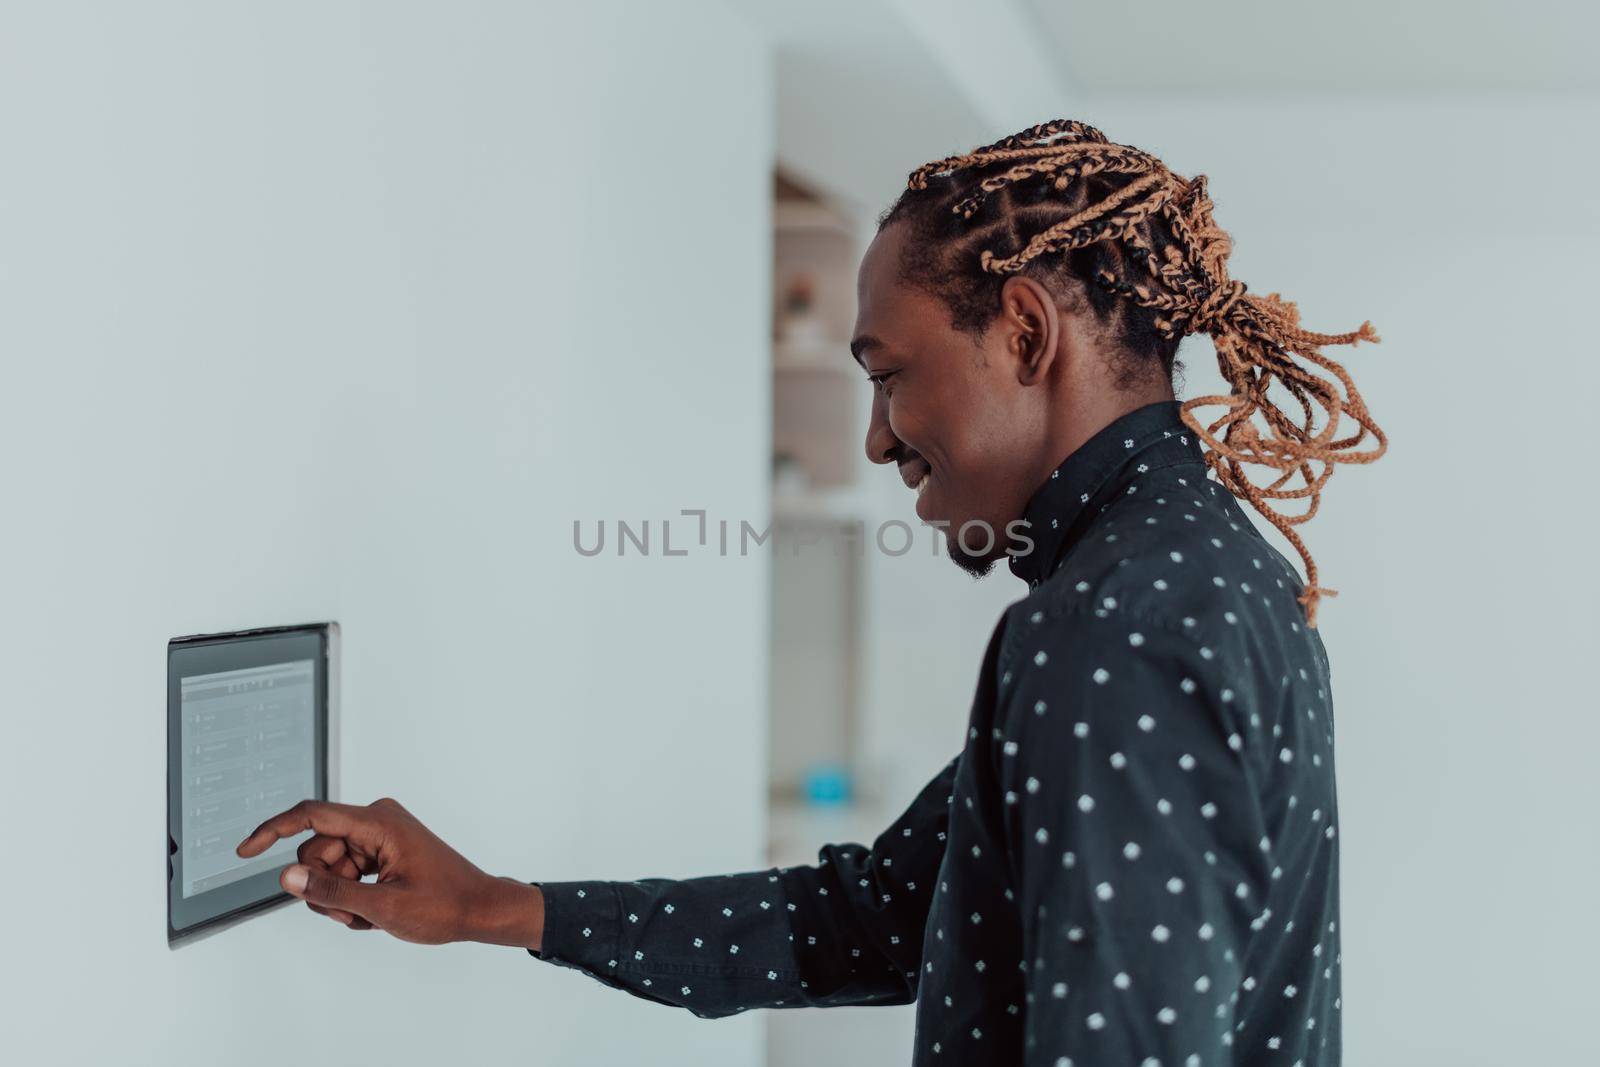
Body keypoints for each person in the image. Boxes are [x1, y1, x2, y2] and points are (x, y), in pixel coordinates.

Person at [236, 118, 1387, 1066]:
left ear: (1025, 334)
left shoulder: (1107, 628)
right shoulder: (1208, 572)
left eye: (888, 374)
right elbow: (871, 916)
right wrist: (490, 903)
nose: (878, 439)